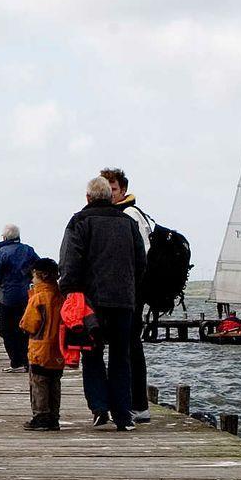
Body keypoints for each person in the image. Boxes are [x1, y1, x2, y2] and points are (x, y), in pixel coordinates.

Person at [58, 175, 147, 431]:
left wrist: (68, 290)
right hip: (123, 300)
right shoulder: (128, 223)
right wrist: (130, 287)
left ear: (88, 197)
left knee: (92, 354)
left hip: (91, 302)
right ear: (110, 197)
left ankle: (99, 408)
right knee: (121, 356)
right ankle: (123, 415)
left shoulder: (79, 221)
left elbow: (70, 260)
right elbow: (141, 262)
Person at [102, 167, 153, 417]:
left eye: (113, 189)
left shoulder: (130, 215)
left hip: (132, 291)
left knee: (131, 346)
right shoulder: (120, 214)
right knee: (127, 346)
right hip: (126, 290)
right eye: (106, 189)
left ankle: (138, 405)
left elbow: (141, 255)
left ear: (123, 190)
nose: (110, 194)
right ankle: (131, 402)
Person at [18, 257, 65, 430]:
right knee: (54, 382)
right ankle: (54, 416)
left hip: (40, 348)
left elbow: (29, 324)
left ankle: (41, 416)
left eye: (34, 276)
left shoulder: (38, 298)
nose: (32, 279)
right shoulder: (61, 296)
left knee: (39, 382)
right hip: (58, 349)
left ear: (41, 276)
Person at [0, 225, 38, 370]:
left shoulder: (3, 252)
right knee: (25, 328)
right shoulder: (28, 250)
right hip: (26, 296)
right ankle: (27, 360)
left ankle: (16, 362)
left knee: (8, 330)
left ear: (5, 237)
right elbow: (39, 266)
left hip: (7, 296)